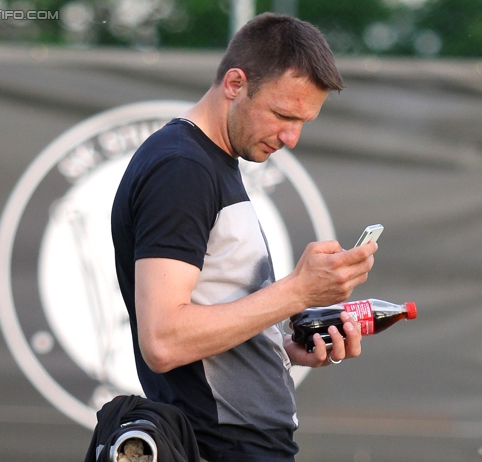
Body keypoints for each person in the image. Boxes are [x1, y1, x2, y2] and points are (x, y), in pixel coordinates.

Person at [111, 12, 378, 462]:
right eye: (282, 114)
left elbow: (204, 329)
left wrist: (281, 348)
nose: (291, 137)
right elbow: (163, 341)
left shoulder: (207, 163)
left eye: (303, 122)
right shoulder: (183, 169)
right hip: (221, 445)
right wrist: (297, 292)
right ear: (235, 83)